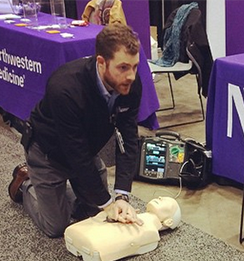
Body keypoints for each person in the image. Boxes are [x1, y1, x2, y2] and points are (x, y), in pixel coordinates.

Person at [8, 23, 144, 238]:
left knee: (93, 213)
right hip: (48, 152)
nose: (132, 76)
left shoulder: (129, 85)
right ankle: (25, 182)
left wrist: (121, 197)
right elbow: (75, 151)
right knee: (57, 227)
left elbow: (127, 139)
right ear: (101, 62)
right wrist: (105, 203)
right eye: (123, 67)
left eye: (135, 66)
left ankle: (68, 195)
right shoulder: (65, 87)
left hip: (86, 148)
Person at [64, 196, 181, 261]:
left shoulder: (151, 232)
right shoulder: (135, 214)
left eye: (167, 203)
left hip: (94, 242)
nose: (160, 198)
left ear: (169, 222)